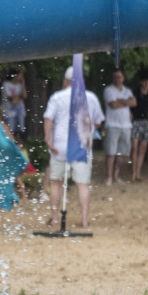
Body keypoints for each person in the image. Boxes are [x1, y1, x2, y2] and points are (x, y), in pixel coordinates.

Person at [43, 67, 106, 229]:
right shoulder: (90, 97)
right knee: (82, 184)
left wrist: (48, 139)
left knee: (56, 182)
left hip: (60, 145)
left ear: (65, 81)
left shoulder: (57, 97)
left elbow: (48, 119)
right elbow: (98, 122)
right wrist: (89, 132)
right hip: (81, 146)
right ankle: (84, 220)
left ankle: (56, 218)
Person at [103, 69, 135, 185]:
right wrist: (126, 101)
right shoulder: (108, 90)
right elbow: (113, 104)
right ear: (113, 79)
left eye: (119, 77)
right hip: (112, 125)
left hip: (126, 125)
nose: (118, 79)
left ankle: (116, 176)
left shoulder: (128, 90)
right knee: (111, 153)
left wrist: (120, 100)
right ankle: (109, 177)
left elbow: (134, 103)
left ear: (123, 78)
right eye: (115, 77)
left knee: (120, 153)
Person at [129, 73, 148, 182]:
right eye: (145, 81)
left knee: (142, 149)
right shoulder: (135, 92)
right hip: (136, 121)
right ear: (141, 82)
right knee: (135, 147)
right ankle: (133, 173)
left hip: (146, 122)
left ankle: (138, 173)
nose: (147, 84)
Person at [1, 68, 26, 142]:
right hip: (9, 112)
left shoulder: (20, 85)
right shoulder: (6, 84)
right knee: (9, 131)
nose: (21, 77)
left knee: (18, 133)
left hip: (19, 111)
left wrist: (23, 82)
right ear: (15, 75)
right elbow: (10, 98)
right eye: (20, 75)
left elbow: (24, 96)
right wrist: (18, 97)